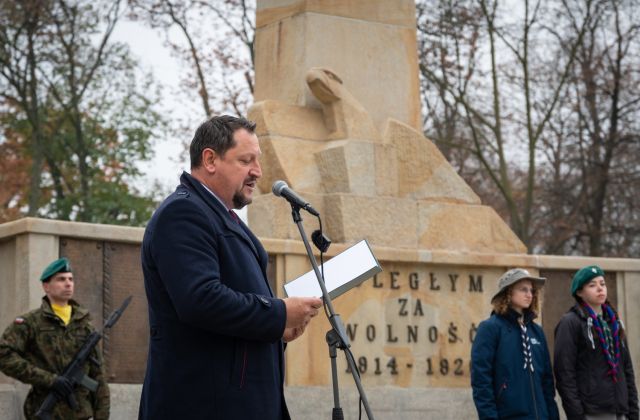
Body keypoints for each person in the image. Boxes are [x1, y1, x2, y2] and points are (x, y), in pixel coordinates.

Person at [138, 115, 323, 420]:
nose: (257, 172)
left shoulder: (220, 216)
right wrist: (278, 312)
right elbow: (201, 300)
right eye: (246, 160)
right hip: (204, 405)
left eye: (257, 161)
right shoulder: (183, 213)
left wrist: (276, 330)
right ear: (210, 159)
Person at [0, 257, 110, 420]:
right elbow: (4, 355)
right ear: (46, 286)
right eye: (61, 279)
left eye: (70, 279)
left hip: (80, 413)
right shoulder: (30, 323)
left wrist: (102, 416)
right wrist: (49, 380)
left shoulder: (85, 327)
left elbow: (98, 376)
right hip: (45, 411)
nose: (68, 284)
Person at [471, 268, 560, 420]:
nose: (529, 294)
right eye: (523, 289)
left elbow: (547, 382)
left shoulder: (537, 331)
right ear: (508, 292)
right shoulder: (490, 328)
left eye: (531, 290)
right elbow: (481, 381)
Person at [554, 265, 639, 420]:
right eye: (592, 285)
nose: (600, 289)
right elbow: (564, 373)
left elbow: (627, 369)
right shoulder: (570, 322)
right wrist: (577, 415)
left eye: (602, 284)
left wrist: (633, 412)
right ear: (579, 292)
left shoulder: (614, 322)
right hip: (591, 412)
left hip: (621, 411)